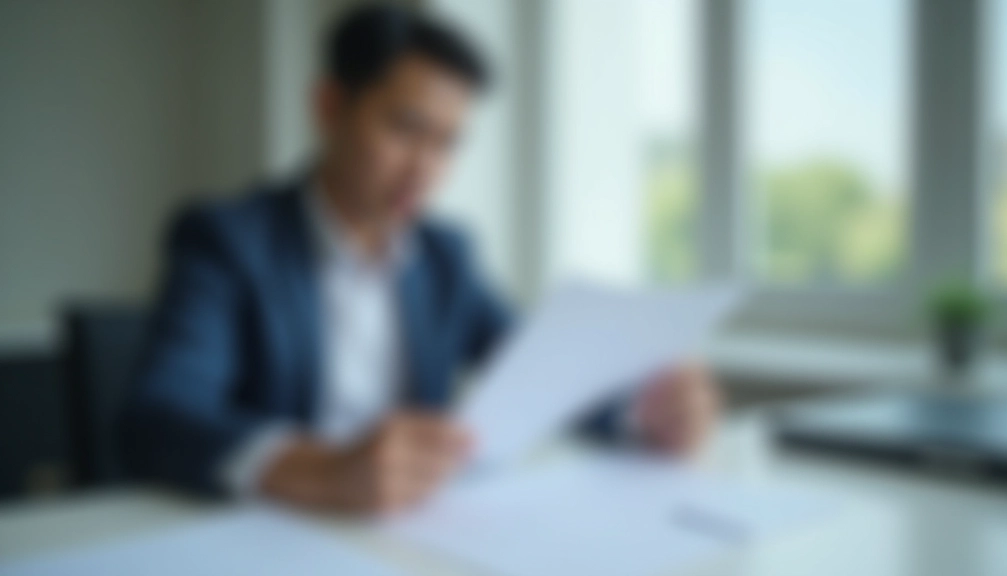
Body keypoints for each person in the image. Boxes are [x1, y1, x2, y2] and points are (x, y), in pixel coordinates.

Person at [120, 4, 720, 515]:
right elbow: (160, 414)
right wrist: (320, 470)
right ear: (329, 106)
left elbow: (537, 370)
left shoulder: (445, 256)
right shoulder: (227, 239)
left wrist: (644, 417)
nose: (426, 168)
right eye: (406, 129)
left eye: (448, 142)